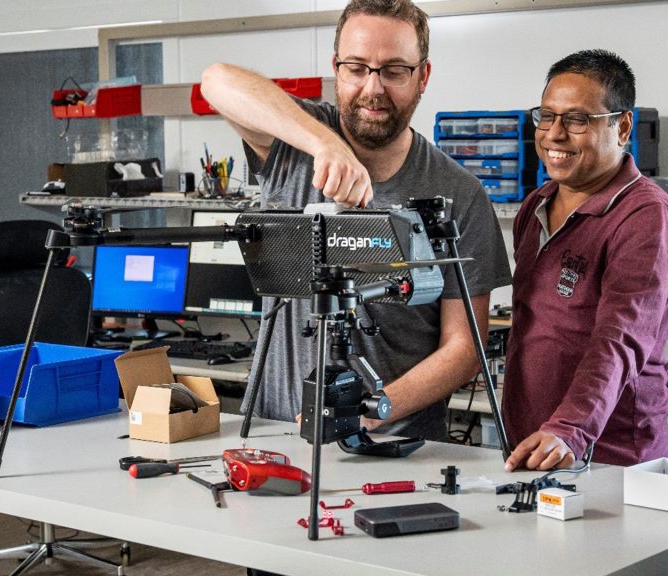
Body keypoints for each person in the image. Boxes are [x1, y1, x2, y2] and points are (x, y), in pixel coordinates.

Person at [201, 0, 511, 441]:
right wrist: (325, 146)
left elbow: (464, 348)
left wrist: (370, 411)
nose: (373, 87)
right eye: (357, 68)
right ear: (336, 69)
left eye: (394, 70)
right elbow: (216, 80)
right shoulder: (292, 143)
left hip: (396, 443)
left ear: (423, 76)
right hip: (277, 435)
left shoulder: (459, 194)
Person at [502, 49, 668, 470]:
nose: (554, 134)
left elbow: (620, 339)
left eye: (576, 120)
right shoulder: (536, 205)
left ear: (622, 127)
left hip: (610, 455)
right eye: (546, 116)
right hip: (534, 445)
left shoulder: (645, 216)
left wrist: (570, 429)